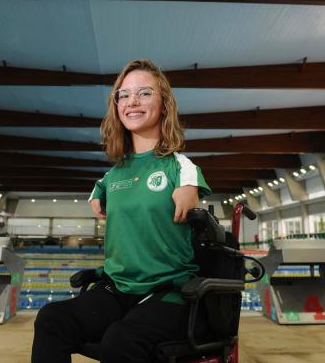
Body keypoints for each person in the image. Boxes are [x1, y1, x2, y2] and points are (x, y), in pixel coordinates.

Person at [31, 59, 211, 363]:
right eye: (123, 95)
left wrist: (187, 190)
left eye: (144, 93)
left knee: (120, 340)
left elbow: (191, 189)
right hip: (116, 291)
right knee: (51, 319)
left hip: (167, 292)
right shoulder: (114, 175)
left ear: (164, 104)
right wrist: (96, 192)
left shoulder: (179, 166)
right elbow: (104, 184)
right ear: (116, 106)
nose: (132, 102)